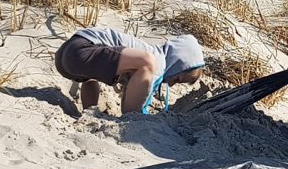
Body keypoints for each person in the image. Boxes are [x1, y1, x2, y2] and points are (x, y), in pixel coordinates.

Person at [55, 27, 205, 115]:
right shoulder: (158, 60)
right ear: (177, 63)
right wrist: (136, 114)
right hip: (81, 52)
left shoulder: (144, 53)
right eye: (177, 79)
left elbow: (132, 92)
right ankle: (132, 119)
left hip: (67, 57)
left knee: (90, 78)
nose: (172, 84)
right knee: (148, 62)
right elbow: (143, 94)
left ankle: (89, 112)